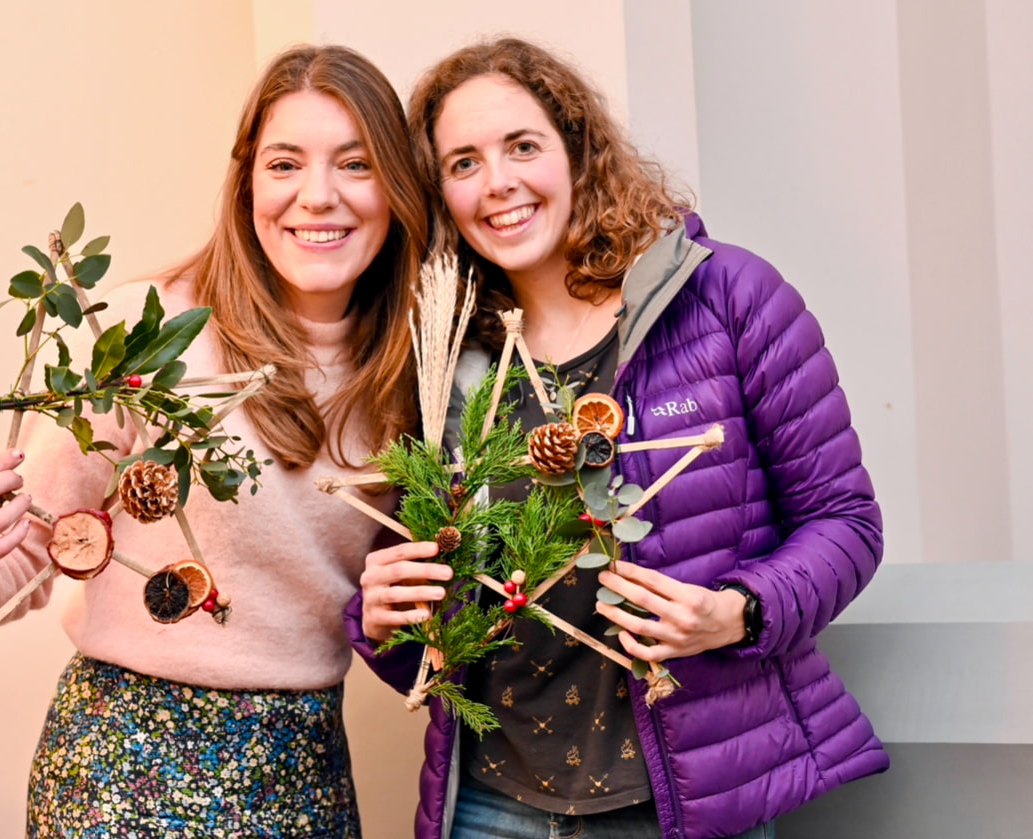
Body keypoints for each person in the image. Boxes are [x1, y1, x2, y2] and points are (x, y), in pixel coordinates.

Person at [347, 37, 887, 839]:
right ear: (437, 193)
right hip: (491, 804)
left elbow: (847, 523)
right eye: (462, 163)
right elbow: (433, 644)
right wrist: (383, 621)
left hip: (685, 802)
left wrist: (737, 610)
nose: (498, 183)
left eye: (521, 146)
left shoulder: (728, 298)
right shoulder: (437, 355)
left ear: (576, 149)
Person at [0, 44, 427, 837]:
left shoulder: (421, 367)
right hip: (125, 760)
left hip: (305, 764)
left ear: (397, 187)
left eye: (355, 164)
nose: (317, 197)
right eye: (285, 164)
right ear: (247, 181)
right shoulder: (148, 335)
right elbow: (36, 543)